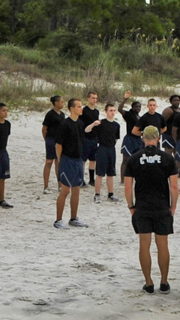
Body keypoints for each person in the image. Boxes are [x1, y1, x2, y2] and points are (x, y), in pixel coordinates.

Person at [123, 124, 180, 292]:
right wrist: (173, 206)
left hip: (142, 206)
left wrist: (131, 206)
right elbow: (174, 186)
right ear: (158, 139)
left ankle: (148, 283)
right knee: (162, 245)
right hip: (162, 206)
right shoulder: (168, 158)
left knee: (144, 245)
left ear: (143, 139)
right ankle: (164, 282)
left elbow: (127, 187)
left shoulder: (134, 158)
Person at [53, 97, 88, 228]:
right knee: (65, 190)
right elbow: (58, 145)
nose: (81, 108)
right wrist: (61, 160)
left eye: (81, 106)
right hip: (67, 160)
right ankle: (58, 220)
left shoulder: (80, 124)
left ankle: (73, 218)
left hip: (78, 160)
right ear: (72, 108)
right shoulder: (64, 124)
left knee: (76, 189)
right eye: (79, 106)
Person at [91, 103, 122, 201]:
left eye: (114, 110)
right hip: (102, 149)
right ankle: (97, 194)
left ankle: (110, 194)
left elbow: (116, 138)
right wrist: (93, 124)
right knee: (100, 173)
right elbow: (87, 130)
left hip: (111, 149)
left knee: (111, 173)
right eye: (110, 110)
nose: (112, 113)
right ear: (106, 112)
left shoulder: (116, 125)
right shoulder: (101, 123)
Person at [40, 94, 64, 193]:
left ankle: (60, 185)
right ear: (56, 103)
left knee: (58, 162)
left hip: (60, 140)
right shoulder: (50, 114)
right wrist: (46, 139)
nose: (63, 104)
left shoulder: (62, 114)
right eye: (61, 102)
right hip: (50, 139)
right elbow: (44, 128)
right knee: (49, 162)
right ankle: (46, 186)